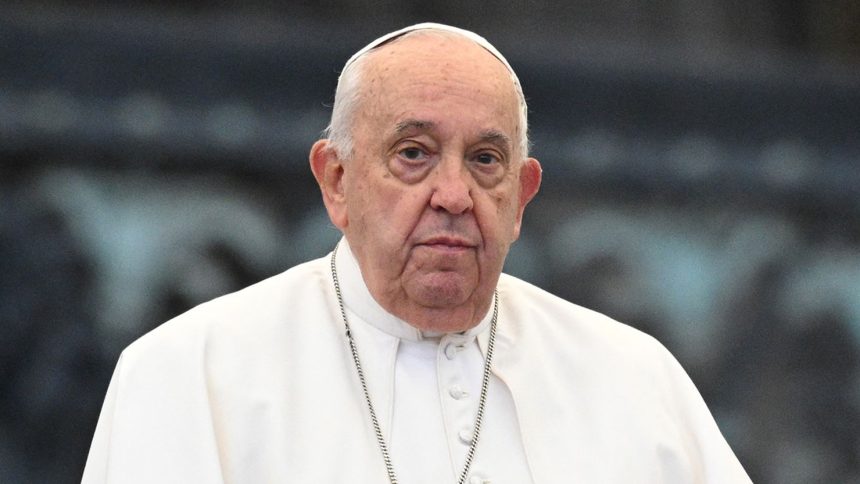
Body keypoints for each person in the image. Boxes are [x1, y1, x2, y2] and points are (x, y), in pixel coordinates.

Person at [82, 23, 751, 484]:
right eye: (413, 154)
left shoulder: (635, 382)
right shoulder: (187, 374)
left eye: (485, 160)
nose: (454, 194)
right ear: (337, 181)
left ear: (520, 196)